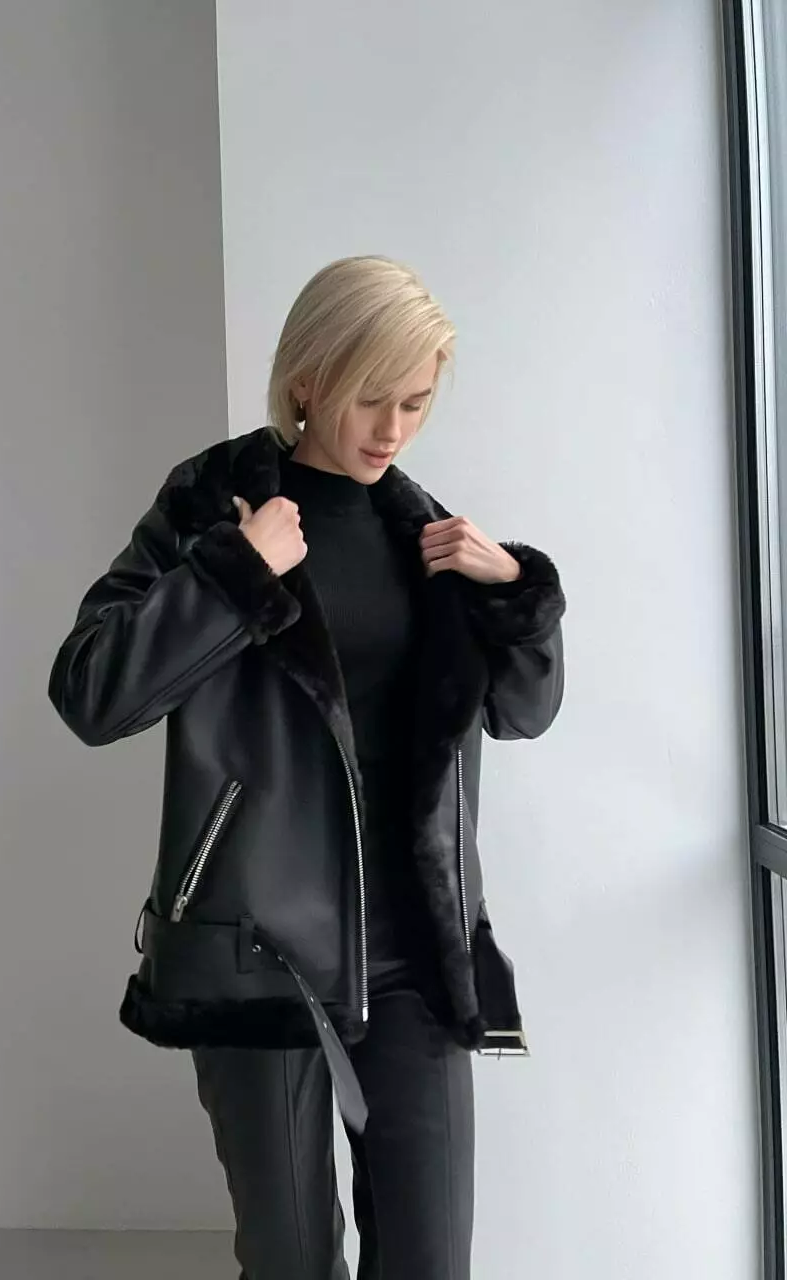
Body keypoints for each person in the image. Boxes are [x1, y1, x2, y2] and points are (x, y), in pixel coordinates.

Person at [49, 256, 565, 1279]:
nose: (393, 429)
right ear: (308, 378)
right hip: (262, 956)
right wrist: (233, 574)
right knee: (291, 1262)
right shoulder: (211, 505)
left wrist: (514, 594)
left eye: (415, 401)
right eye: (372, 397)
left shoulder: (425, 533)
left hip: (417, 955)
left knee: (430, 1260)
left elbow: (524, 714)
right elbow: (92, 691)